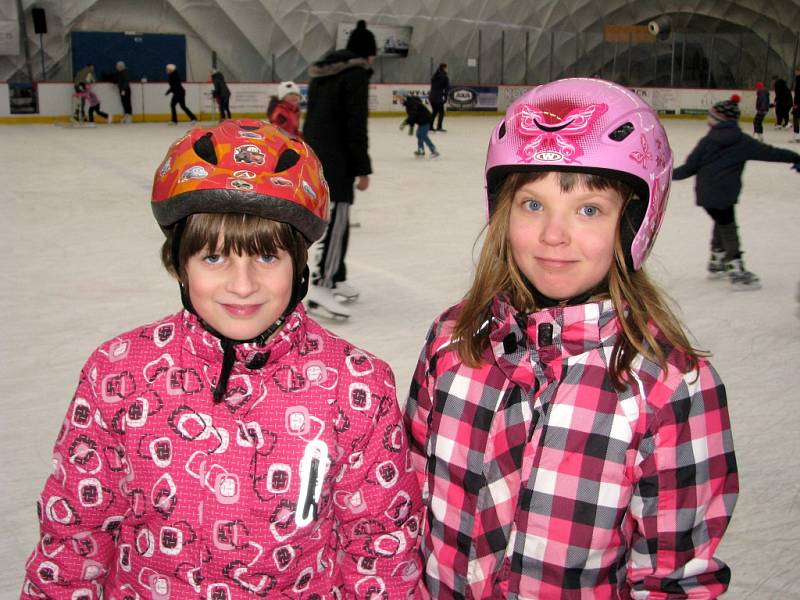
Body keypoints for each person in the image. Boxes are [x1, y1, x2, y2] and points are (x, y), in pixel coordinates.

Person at [20, 119, 423, 599]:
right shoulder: (119, 373)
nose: (242, 284)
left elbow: (380, 545)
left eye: (267, 257)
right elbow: (74, 540)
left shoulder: (356, 386)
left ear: (299, 266)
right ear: (179, 263)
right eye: (213, 258)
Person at [404, 78, 739, 599]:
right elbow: (409, 497)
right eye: (532, 205)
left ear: (633, 223)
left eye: (589, 209)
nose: (553, 236)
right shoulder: (454, 341)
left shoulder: (670, 388)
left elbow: (675, 580)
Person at [673, 94, 800, 290]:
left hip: (706, 195)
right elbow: (771, 153)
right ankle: (736, 269)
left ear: (717, 120)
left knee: (721, 221)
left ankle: (717, 259)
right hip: (724, 195)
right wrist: (795, 157)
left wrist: (667, 175)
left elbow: (689, 168)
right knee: (728, 228)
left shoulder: (707, 141)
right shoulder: (743, 141)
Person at [303, 49, 372, 314]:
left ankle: (336, 276)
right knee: (335, 220)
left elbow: (311, 120)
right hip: (338, 160)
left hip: (318, 156)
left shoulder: (323, 75)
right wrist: (362, 168)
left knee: (336, 219)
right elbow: (356, 125)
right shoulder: (355, 76)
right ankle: (322, 283)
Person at [398, 92, 439, 158]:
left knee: (422, 135)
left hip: (425, 120)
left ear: (405, 98)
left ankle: (433, 150)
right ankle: (421, 150)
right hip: (421, 121)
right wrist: (411, 127)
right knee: (419, 134)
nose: (400, 100)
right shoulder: (409, 104)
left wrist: (405, 123)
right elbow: (413, 117)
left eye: (401, 99)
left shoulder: (411, 103)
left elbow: (413, 115)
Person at [429, 63, 449, 132]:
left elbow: (434, 86)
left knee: (434, 112)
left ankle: (430, 126)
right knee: (441, 112)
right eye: (446, 68)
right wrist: (445, 97)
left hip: (431, 96)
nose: (447, 69)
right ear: (444, 68)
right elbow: (446, 88)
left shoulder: (435, 75)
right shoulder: (445, 77)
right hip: (438, 98)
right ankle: (439, 127)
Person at [792, 66, 800, 142]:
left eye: (796, 71)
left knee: (795, 118)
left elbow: (798, 93)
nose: (795, 73)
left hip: (798, 103)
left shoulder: (798, 80)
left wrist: (796, 103)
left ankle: (797, 136)